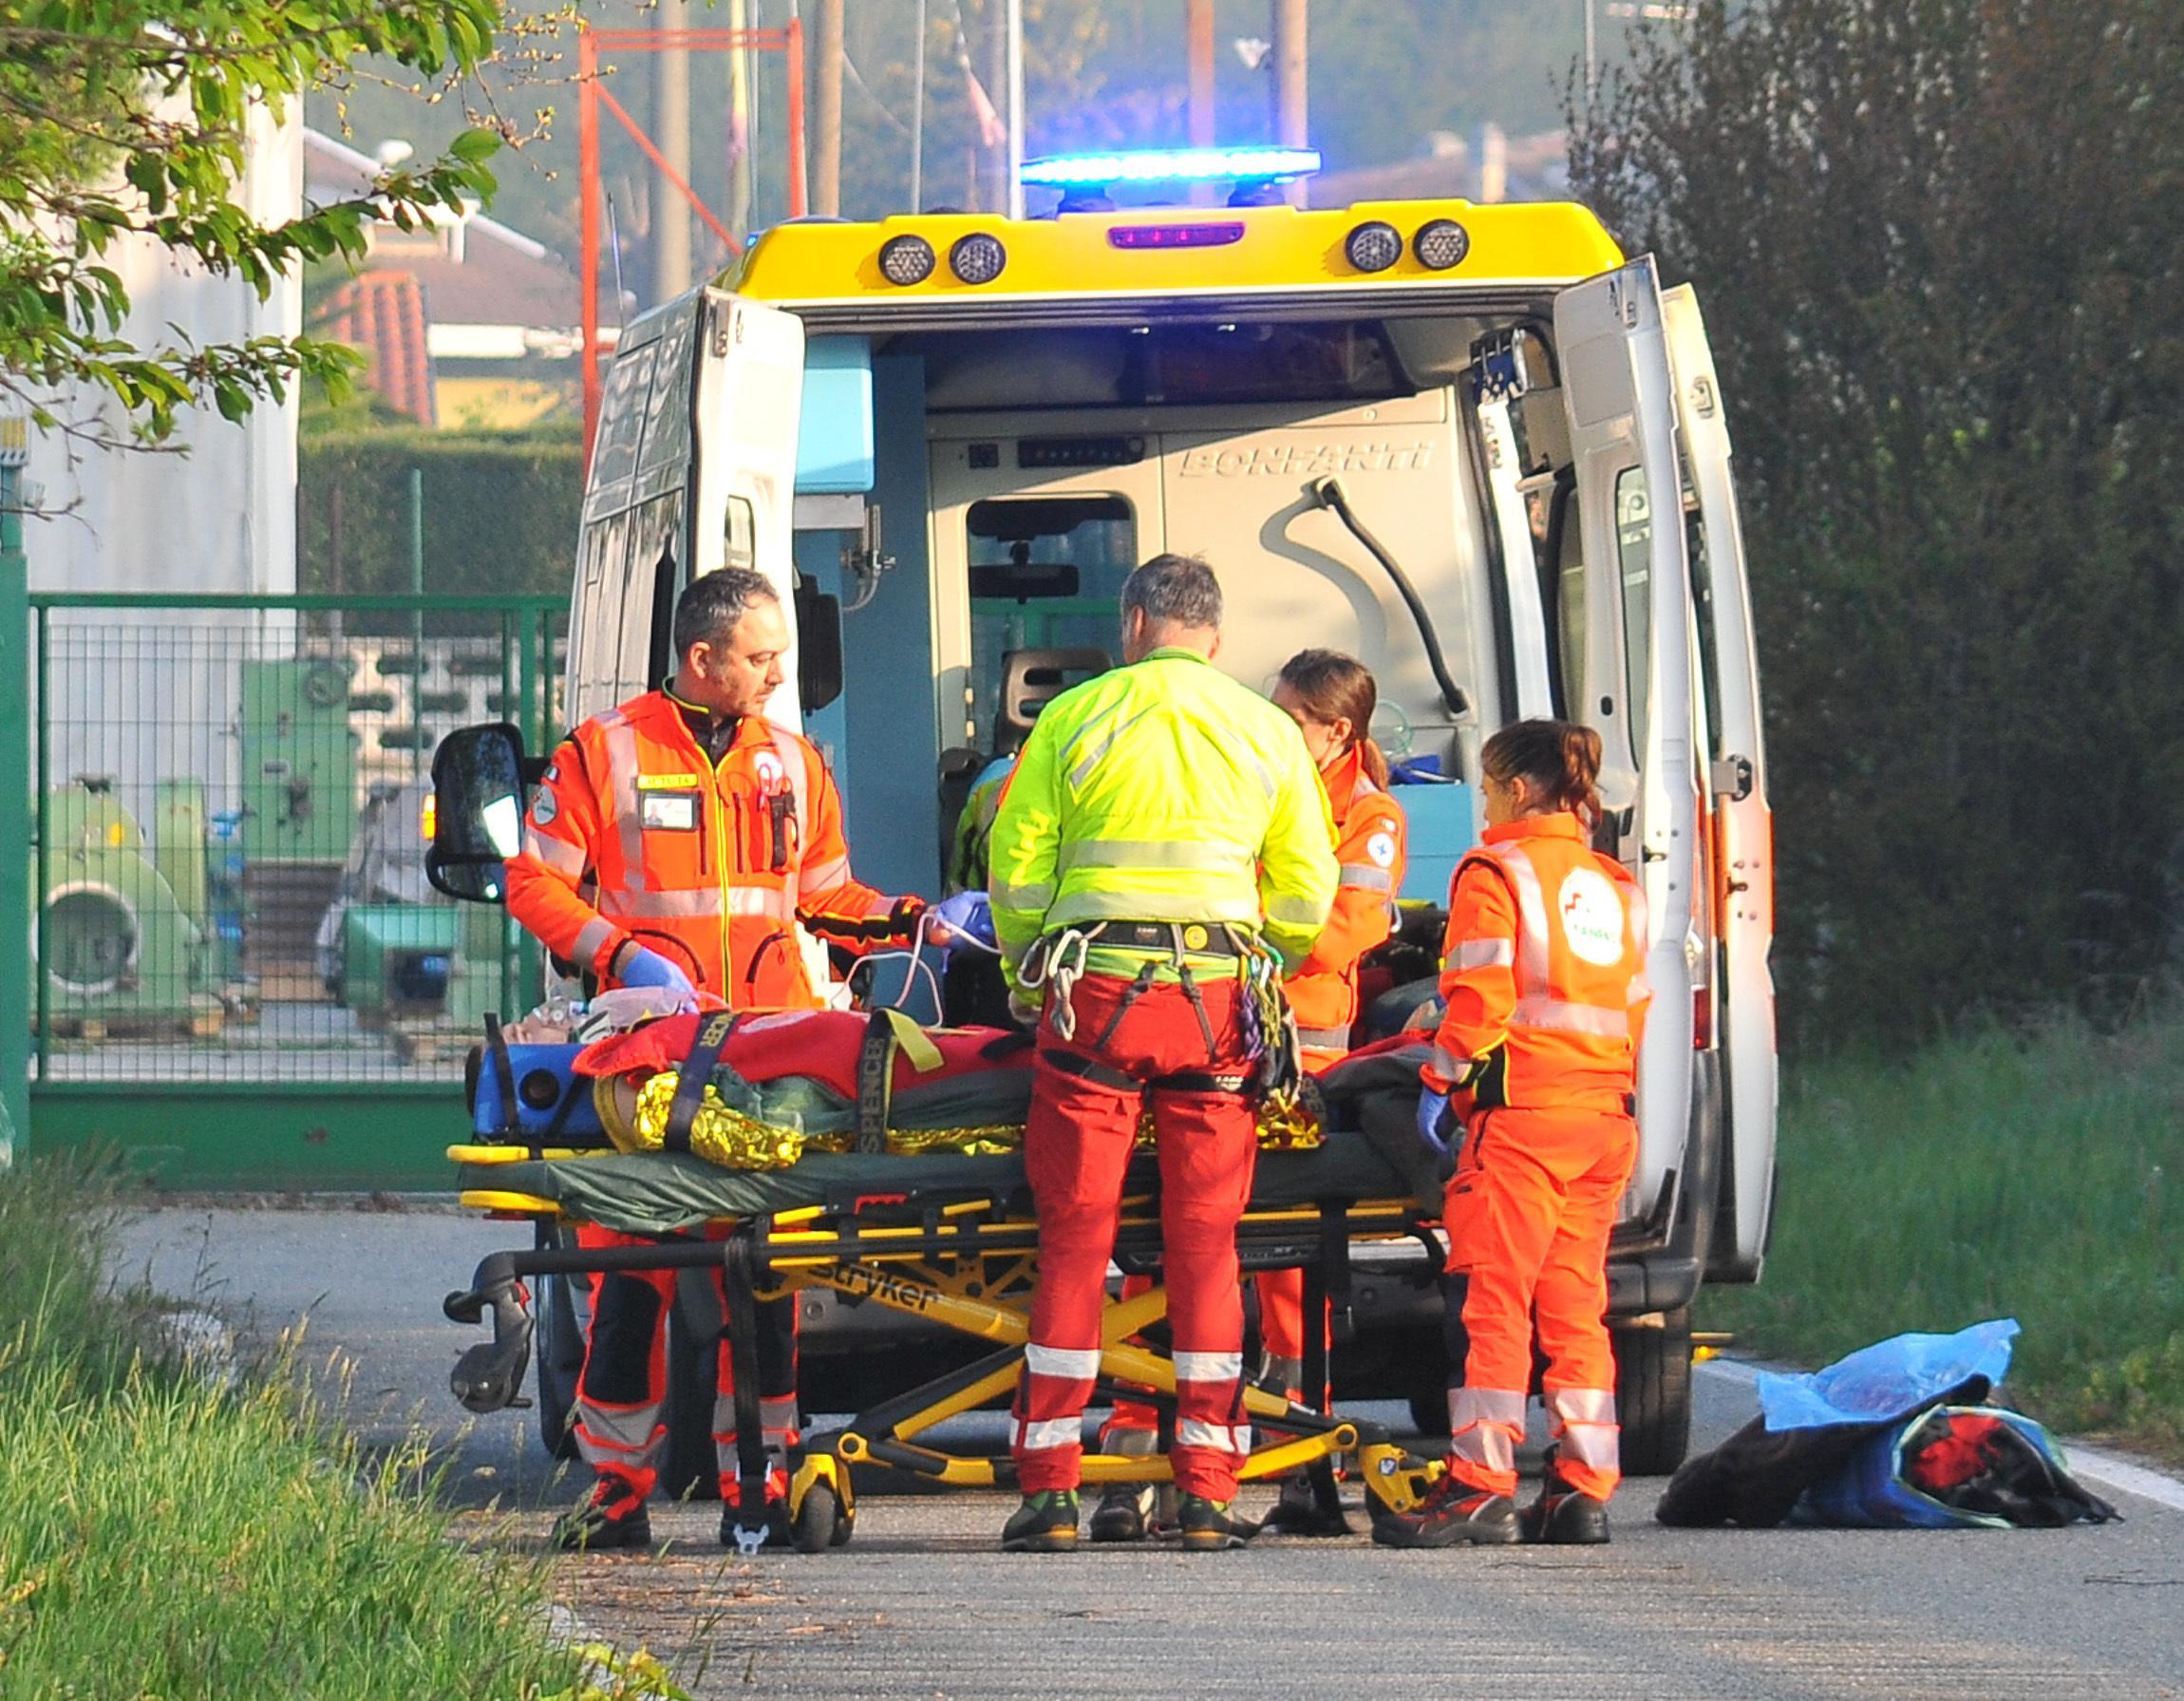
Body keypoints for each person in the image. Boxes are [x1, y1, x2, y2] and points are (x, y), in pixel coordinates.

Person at [505, 567, 937, 1552]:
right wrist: (618, 954)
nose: (779, 675)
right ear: (701, 660)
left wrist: (915, 922)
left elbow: (829, 896)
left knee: (765, 1268)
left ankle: (772, 1471)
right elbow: (533, 883)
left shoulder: (792, 761)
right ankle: (616, 1490)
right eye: (761, 656)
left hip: (767, 1057)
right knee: (637, 1269)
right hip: (649, 1053)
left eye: (780, 653)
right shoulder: (601, 753)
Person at [988, 554, 1338, 1553]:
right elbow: (1307, 891)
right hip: (1216, 1005)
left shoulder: (1072, 719)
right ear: (1214, 636)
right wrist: (1262, 958)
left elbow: (1015, 870)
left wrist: (1027, 974)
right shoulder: (1267, 729)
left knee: (1076, 1238)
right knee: (1204, 1243)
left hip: (1095, 1000)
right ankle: (1206, 1491)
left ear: (1134, 621)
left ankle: (1049, 1487)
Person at [1087, 649, 1407, 1542]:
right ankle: (1131, 1456)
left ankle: (1297, 1456)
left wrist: (1234, 951)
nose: (1273, 722)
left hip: (1299, 1061)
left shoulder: (1370, 816)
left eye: (1290, 712)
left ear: (1335, 729)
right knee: (1160, 1247)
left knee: (1288, 1271)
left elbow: (1347, 926)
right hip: (1216, 1040)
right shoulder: (1267, 777)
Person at [1375, 718, 1650, 1550]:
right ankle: (1580, 1488)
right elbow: (1631, 1004)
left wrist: (1439, 1076)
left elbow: (1482, 997)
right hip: (1603, 1119)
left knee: (1492, 1304)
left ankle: (1482, 1485)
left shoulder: (1497, 871)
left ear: (1520, 790)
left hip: (1525, 1118)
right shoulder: (1612, 884)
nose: (1487, 805)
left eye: (1490, 790)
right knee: (1576, 1308)